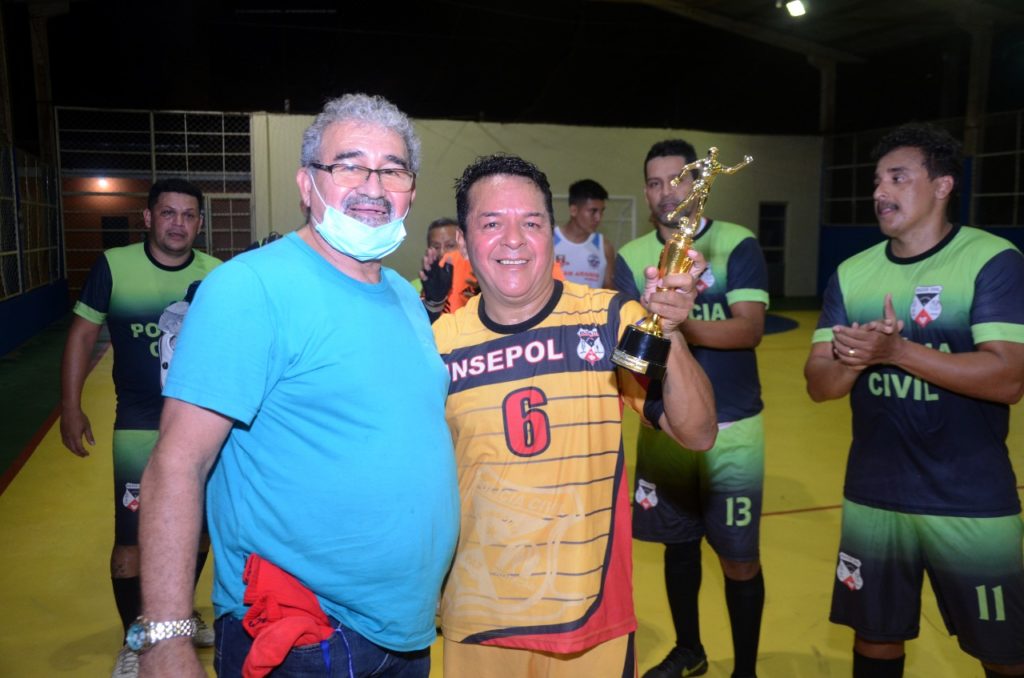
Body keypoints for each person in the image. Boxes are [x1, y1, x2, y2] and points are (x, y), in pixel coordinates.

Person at [136, 93, 459, 677]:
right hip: (302, 636)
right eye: (349, 166)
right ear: (307, 185)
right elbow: (177, 463)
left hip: (405, 632)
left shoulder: (405, 298)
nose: (374, 186)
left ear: (411, 191)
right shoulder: (249, 289)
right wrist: (166, 638)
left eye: (393, 170)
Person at [433, 153, 718, 677]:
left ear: (551, 235)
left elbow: (697, 432)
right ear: (466, 244)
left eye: (531, 223)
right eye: (491, 224)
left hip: (589, 623)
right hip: (478, 618)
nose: (514, 240)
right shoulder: (437, 347)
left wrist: (672, 333)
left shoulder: (612, 320)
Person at [804, 122, 1024, 678]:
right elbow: (819, 385)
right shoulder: (853, 274)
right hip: (874, 494)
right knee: (875, 639)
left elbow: (1008, 378)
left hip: (969, 496)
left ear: (943, 185)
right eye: (877, 181)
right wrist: (856, 359)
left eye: (898, 178)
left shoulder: (991, 260)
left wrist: (897, 351)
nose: (880, 191)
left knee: (1005, 651)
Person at [615, 139, 768, 678]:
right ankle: (689, 650)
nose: (666, 192)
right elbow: (632, 344)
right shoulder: (631, 256)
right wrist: (661, 326)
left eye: (676, 180)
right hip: (663, 424)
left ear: (698, 182)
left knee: (738, 557)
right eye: (654, 183)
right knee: (677, 546)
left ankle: (745, 670)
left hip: (733, 423)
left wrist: (675, 321)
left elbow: (749, 329)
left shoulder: (736, 243)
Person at [59, 177, 220, 677]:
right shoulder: (114, 266)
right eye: (168, 213)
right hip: (139, 425)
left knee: (199, 532)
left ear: (199, 223)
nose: (178, 224)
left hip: (201, 426)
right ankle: (137, 639)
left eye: (188, 215)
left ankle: (178, 613)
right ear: (148, 217)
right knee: (130, 539)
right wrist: (70, 406)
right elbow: (82, 336)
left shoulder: (216, 274)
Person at [554, 178, 616, 289]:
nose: (598, 218)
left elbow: (609, 291)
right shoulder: (549, 242)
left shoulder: (604, 247)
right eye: (593, 211)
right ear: (573, 210)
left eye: (602, 211)